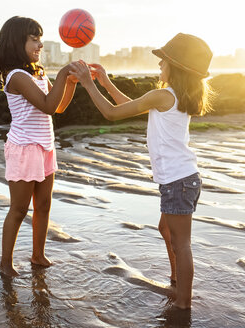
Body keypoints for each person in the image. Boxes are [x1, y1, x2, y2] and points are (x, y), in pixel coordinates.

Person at [69, 33, 213, 309]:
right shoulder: (173, 96)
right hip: (183, 179)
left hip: (178, 181)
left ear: (176, 66)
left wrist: (88, 83)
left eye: (163, 62)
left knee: (182, 243)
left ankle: (183, 302)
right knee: (166, 229)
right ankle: (175, 279)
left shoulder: (163, 95)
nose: (159, 66)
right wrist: (107, 82)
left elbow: (111, 113)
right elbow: (131, 105)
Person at [0, 16, 77, 277]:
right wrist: (63, 72)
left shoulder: (37, 72)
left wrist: (69, 84)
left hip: (45, 147)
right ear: (17, 42)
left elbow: (58, 107)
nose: (40, 44)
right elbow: (47, 105)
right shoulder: (16, 76)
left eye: (40, 38)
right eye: (34, 38)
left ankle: (38, 255)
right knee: (19, 209)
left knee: (44, 206)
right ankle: (5, 263)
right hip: (24, 149)